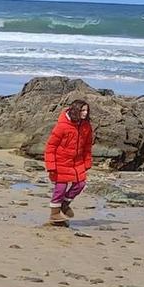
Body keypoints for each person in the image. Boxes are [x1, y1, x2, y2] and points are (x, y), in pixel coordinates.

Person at [44, 96, 94, 225]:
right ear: (75, 111)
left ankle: (65, 204)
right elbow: (50, 147)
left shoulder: (86, 127)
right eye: (82, 111)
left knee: (80, 184)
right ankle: (54, 214)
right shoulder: (62, 126)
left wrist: (87, 162)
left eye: (86, 111)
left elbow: (87, 146)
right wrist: (51, 166)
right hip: (60, 161)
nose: (85, 113)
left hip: (77, 162)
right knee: (60, 187)